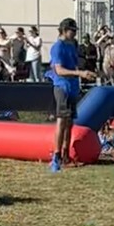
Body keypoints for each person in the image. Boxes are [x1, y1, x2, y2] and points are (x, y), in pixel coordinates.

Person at [47, 18, 96, 168]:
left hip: (73, 87)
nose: (74, 34)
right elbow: (59, 70)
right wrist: (79, 73)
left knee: (69, 123)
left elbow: (75, 65)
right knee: (61, 121)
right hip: (62, 87)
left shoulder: (72, 46)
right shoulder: (58, 47)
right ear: (64, 30)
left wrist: (83, 73)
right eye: (72, 31)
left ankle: (66, 155)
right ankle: (56, 156)